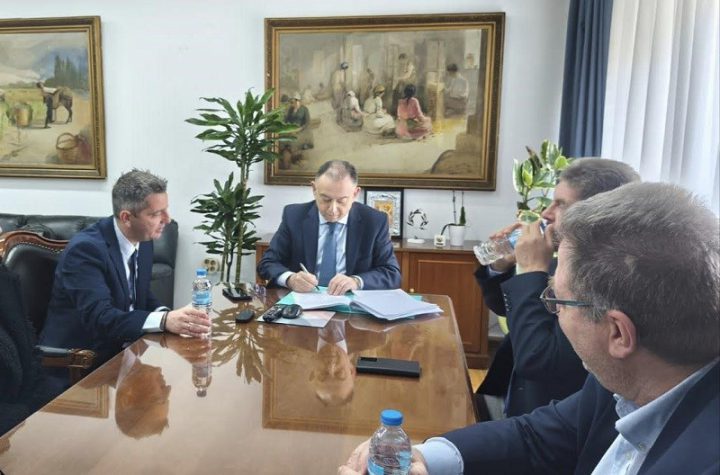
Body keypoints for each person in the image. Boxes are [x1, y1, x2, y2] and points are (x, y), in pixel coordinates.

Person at [340, 181, 720, 474]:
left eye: (556, 299)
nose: (551, 309)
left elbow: (537, 359)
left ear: (618, 333)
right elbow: (538, 435)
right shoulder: (623, 382)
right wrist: (423, 456)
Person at [476, 159, 640, 419]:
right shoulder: (565, 258)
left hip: (547, 417)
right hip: (510, 395)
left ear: (596, 212)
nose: (546, 213)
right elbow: (512, 310)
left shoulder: (610, 282)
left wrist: (531, 270)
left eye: (560, 204)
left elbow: (539, 358)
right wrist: (500, 267)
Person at [40, 169, 211, 384]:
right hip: (80, 365)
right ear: (126, 217)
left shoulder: (144, 241)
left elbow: (141, 295)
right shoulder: (85, 250)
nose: (167, 219)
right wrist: (165, 321)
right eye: (156, 214)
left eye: (166, 210)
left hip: (125, 354)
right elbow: (101, 319)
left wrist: (173, 317)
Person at [257, 160, 401, 296]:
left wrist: (356, 281)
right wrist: (290, 279)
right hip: (304, 302)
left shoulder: (374, 221)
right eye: (326, 199)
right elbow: (267, 263)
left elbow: (392, 273)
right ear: (314, 189)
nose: (332, 209)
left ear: (355, 194)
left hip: (351, 303)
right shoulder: (294, 216)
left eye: (341, 201)